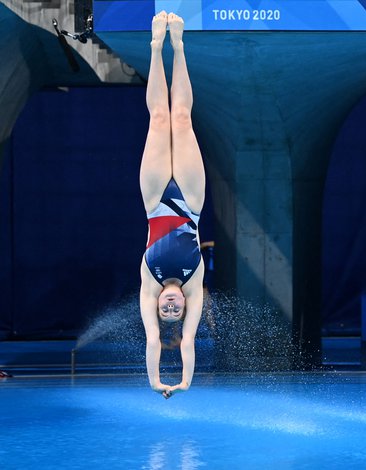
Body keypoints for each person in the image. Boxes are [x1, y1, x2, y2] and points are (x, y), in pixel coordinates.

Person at [139, 11, 205, 399]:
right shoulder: (194, 285)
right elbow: (187, 344)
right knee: (181, 119)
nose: (168, 305)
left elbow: (153, 343)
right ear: (181, 306)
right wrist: (184, 381)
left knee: (158, 120)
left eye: (165, 309)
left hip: (154, 199)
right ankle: (178, 46)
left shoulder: (149, 285)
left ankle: (154, 47)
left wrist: (155, 382)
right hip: (191, 201)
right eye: (172, 310)